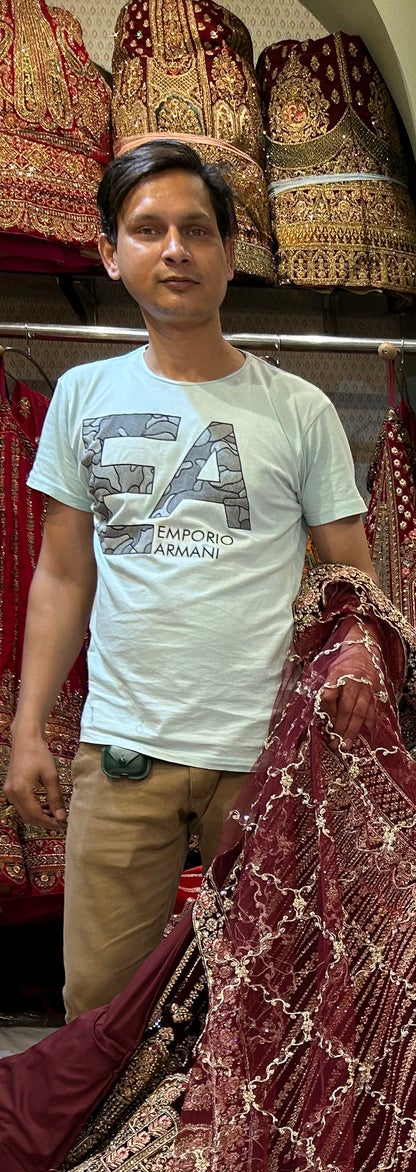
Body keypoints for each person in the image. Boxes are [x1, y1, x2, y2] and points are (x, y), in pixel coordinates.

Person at [3, 139, 383, 1016]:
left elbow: (353, 582)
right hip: (122, 752)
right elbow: (62, 575)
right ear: (109, 252)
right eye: (148, 229)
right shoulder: (82, 397)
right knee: (99, 1005)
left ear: (228, 255)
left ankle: (245, 1157)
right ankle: (117, 1156)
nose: (174, 248)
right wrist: (30, 731)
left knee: (273, 1000)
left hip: (264, 754)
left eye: (196, 230)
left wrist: (357, 681)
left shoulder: (298, 408)